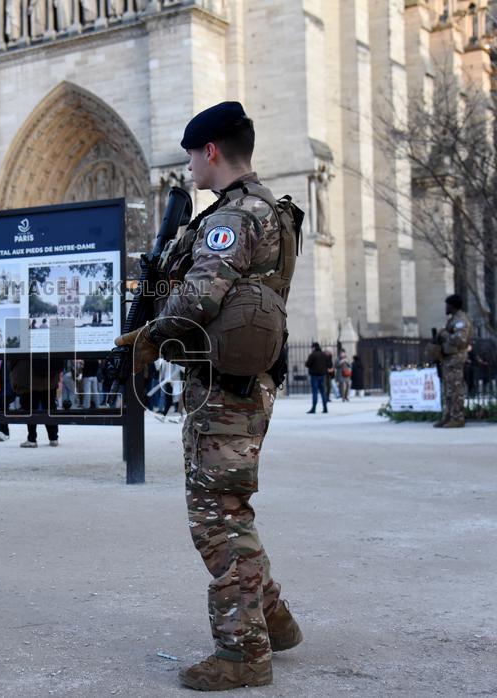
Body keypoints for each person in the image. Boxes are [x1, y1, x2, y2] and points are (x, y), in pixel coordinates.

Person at [114, 102, 302, 691]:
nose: (190, 166)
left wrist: (147, 337)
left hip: (227, 392)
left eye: (192, 154)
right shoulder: (266, 209)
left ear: (211, 151)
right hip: (241, 383)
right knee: (230, 510)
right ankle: (272, 617)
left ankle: (243, 651)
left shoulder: (235, 218)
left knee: (216, 519)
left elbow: (199, 299)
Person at [434, 293, 472, 428]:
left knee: (455, 389)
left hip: (456, 358)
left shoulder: (461, 320)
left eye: (447, 305)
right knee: (448, 389)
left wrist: (444, 334)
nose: (445, 307)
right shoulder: (453, 319)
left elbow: (460, 339)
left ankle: (457, 418)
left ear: (452, 306)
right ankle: (448, 415)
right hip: (448, 358)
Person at [10, 355, 60, 448]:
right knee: (49, 407)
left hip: (28, 379)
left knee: (30, 409)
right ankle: (53, 438)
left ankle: (32, 439)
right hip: (49, 378)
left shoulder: (24, 348)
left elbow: (14, 361)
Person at [305, 342, 329, 413]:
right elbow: (328, 364)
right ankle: (325, 408)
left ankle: (314, 408)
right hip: (322, 375)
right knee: (323, 392)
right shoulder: (324, 355)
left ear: (314, 347)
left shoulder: (312, 355)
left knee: (315, 392)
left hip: (314, 375)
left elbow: (307, 364)